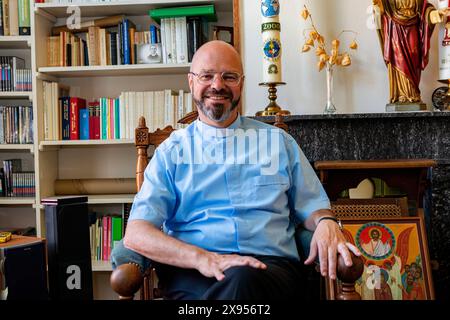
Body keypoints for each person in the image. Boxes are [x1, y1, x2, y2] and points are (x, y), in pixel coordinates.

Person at [120, 40, 361, 300]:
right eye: (207, 76)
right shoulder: (171, 153)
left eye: (229, 76)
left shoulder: (277, 143)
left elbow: (313, 205)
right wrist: (203, 259)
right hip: (192, 271)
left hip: (271, 271)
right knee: (238, 283)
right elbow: (137, 232)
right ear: (191, 82)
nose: (217, 85)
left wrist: (326, 222)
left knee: (242, 279)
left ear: (241, 84)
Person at [373, 0, 449, 105]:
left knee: (414, 58)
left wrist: (435, 14)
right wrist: (377, 8)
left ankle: (413, 94)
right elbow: (381, 9)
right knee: (398, 61)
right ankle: (400, 96)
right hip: (395, 31)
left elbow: (425, 10)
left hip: (413, 29)